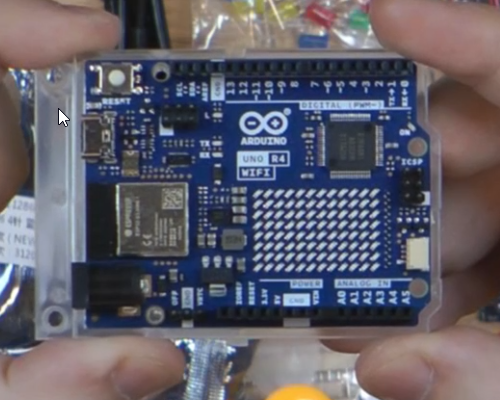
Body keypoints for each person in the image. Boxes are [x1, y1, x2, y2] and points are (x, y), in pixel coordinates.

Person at [1, 0, 499, 398]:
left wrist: (62, 121)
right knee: (69, 115)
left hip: (75, 148)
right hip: (73, 147)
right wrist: (61, 121)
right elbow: (64, 119)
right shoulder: (67, 116)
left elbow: (66, 120)